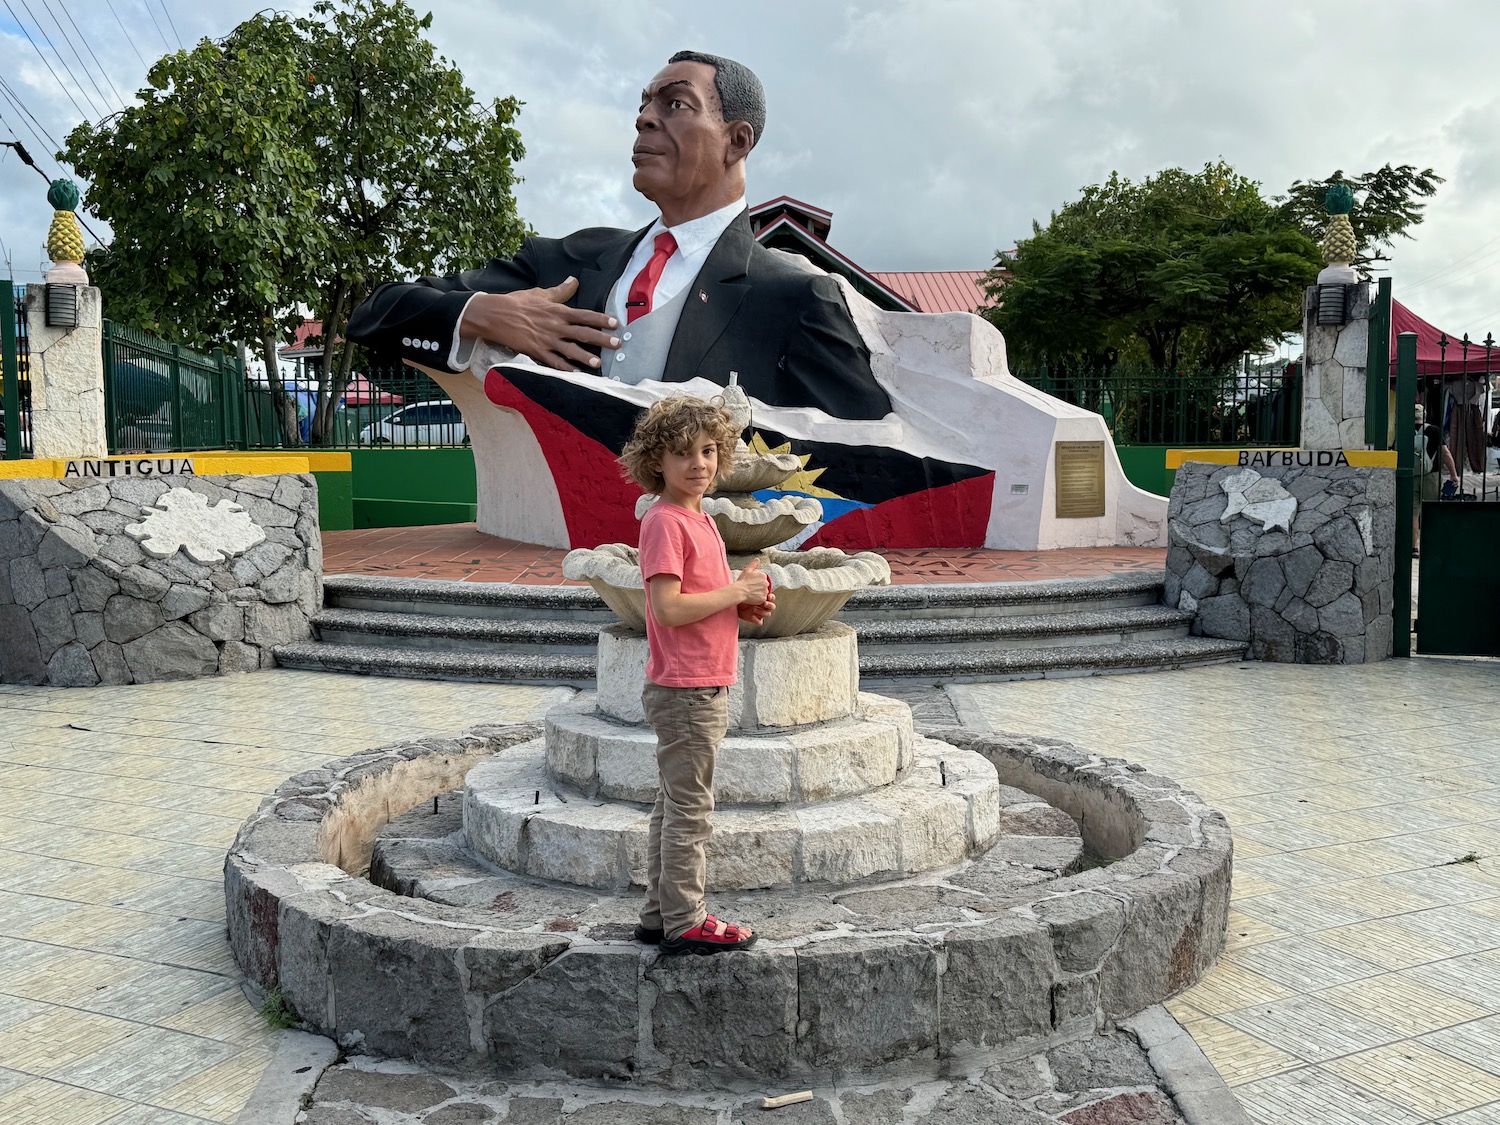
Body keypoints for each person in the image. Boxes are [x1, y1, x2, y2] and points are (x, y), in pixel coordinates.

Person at [346, 51, 891, 422]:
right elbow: (376, 311)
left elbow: (872, 464)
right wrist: (488, 313)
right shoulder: (571, 260)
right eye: (643, 105)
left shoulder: (796, 298)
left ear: (737, 140)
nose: (644, 120)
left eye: (674, 104)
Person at [617, 395, 773, 955]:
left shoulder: (699, 516)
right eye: (682, 453)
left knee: (673, 803)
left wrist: (741, 606)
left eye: (708, 451)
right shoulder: (664, 521)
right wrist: (736, 591)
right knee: (691, 810)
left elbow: (699, 599)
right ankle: (687, 920)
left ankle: (660, 914)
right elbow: (668, 608)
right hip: (686, 689)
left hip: (697, 683)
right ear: (656, 460)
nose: (699, 464)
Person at [1414, 402, 1457, 552]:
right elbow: (1445, 453)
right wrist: (1453, 474)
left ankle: (1414, 547)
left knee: (1413, 512)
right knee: (1429, 509)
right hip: (1431, 476)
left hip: (1411, 476)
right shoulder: (1433, 430)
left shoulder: (1404, 428)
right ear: (1424, 415)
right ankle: (1430, 545)